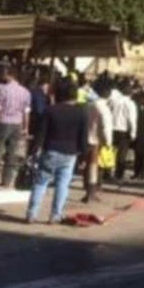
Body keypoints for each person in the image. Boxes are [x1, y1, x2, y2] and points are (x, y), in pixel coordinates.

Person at [25, 79, 88, 224]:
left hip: (50, 151)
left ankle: (31, 214)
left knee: (40, 183)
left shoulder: (50, 110)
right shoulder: (81, 113)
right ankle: (55, 215)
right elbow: (83, 137)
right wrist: (83, 157)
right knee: (62, 185)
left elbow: (41, 134)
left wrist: (32, 152)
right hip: (70, 153)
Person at [0, 65, 31, 187]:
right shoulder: (25, 92)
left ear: (9, 75)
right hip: (17, 124)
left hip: (3, 122)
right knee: (11, 152)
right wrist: (26, 127)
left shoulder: (2, 90)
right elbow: (26, 112)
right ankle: (7, 180)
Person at [81, 80, 112, 203]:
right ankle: (91, 192)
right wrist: (108, 142)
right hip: (96, 140)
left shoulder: (89, 104)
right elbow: (106, 126)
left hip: (85, 138)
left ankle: (88, 190)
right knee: (94, 167)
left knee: (87, 166)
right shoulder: (103, 108)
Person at [108, 82, 137, 181]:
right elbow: (132, 119)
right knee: (122, 154)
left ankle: (107, 171)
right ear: (131, 94)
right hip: (123, 130)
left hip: (112, 128)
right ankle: (118, 174)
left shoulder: (114, 102)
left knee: (110, 151)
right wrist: (133, 133)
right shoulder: (130, 104)